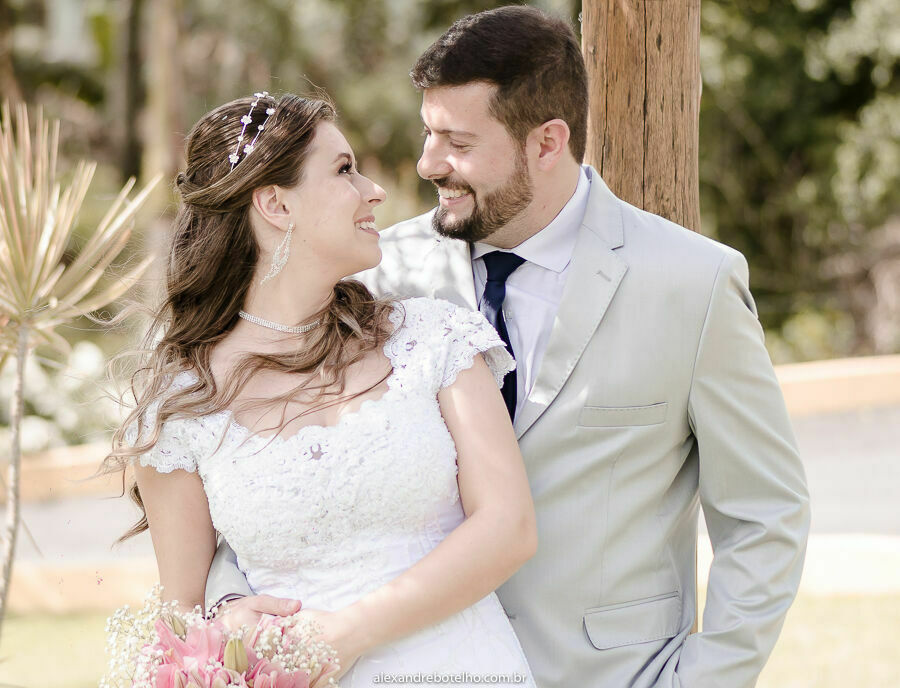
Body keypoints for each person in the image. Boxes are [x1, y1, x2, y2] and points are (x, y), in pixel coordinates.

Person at [206, 6, 811, 688]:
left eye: (456, 142)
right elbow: (263, 470)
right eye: (428, 131)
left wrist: (705, 680)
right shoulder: (375, 277)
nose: (426, 163)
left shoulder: (693, 284)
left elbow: (765, 516)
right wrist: (229, 605)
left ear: (547, 142)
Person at [110, 91, 539, 687]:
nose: (374, 190)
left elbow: (509, 527)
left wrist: (347, 633)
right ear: (275, 204)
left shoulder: (434, 338)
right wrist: (226, 619)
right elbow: (183, 625)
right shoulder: (182, 406)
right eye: (343, 170)